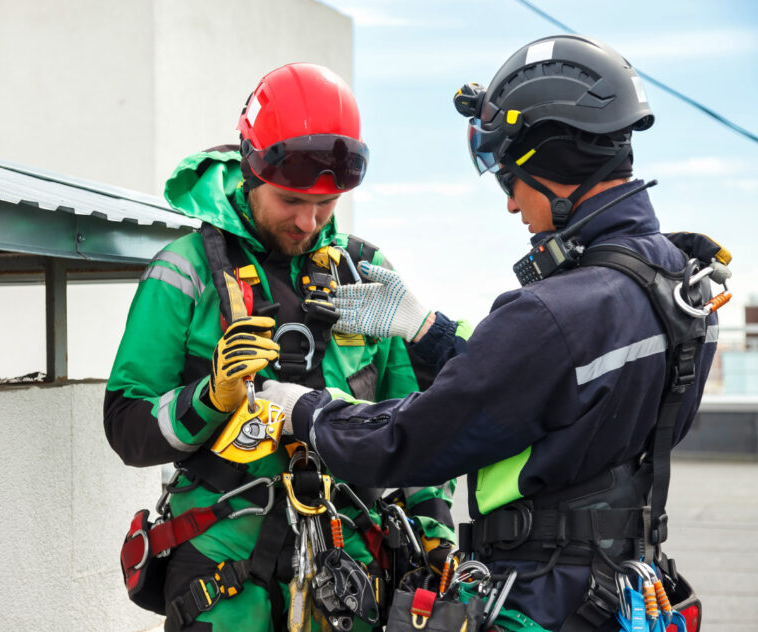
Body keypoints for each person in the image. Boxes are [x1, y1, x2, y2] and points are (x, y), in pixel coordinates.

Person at [259, 36, 730, 631]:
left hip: (543, 597)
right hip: (625, 588)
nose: (510, 204)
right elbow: (546, 388)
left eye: (510, 178)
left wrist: (308, 412)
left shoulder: (553, 313)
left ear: (554, 161)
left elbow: (413, 441)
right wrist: (428, 330)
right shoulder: (685, 285)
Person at [104, 62, 456, 632]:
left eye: (327, 203)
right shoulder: (184, 273)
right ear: (251, 169)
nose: (308, 221)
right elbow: (126, 425)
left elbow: (418, 423)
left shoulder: (367, 276)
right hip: (221, 566)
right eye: (291, 199)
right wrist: (211, 396)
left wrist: (435, 535)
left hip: (348, 567)